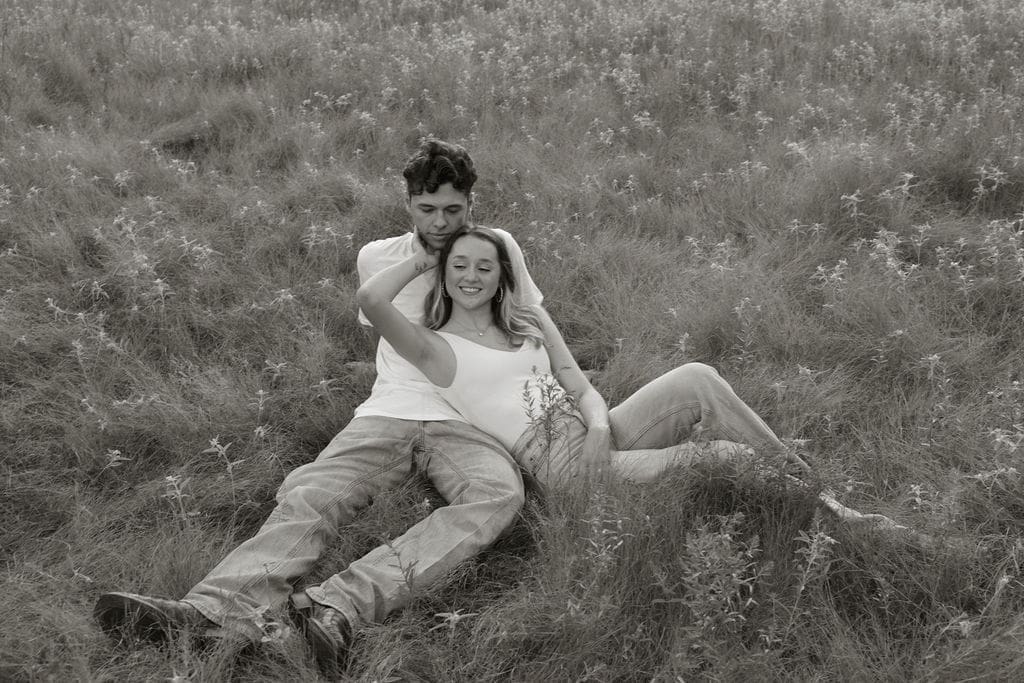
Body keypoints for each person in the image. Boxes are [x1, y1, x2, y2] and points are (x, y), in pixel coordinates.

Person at [94, 139, 544, 673]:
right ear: (408, 205)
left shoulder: (499, 248)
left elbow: (530, 326)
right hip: (390, 409)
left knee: (497, 494)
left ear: (472, 202)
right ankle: (209, 612)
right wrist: (423, 260)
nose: (442, 222)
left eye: (454, 209)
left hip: (469, 417)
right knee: (313, 493)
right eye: (428, 210)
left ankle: (335, 610)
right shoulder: (378, 258)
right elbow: (382, 322)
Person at [356, 224, 812, 494]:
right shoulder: (433, 349)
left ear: (501, 278)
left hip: (596, 435)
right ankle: (822, 508)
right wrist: (427, 256)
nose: (471, 277)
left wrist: (597, 428)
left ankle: (806, 483)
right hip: (566, 471)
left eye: (484, 266)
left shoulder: (526, 318)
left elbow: (579, 385)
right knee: (726, 455)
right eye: (459, 266)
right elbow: (373, 299)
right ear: (443, 275)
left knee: (698, 376)